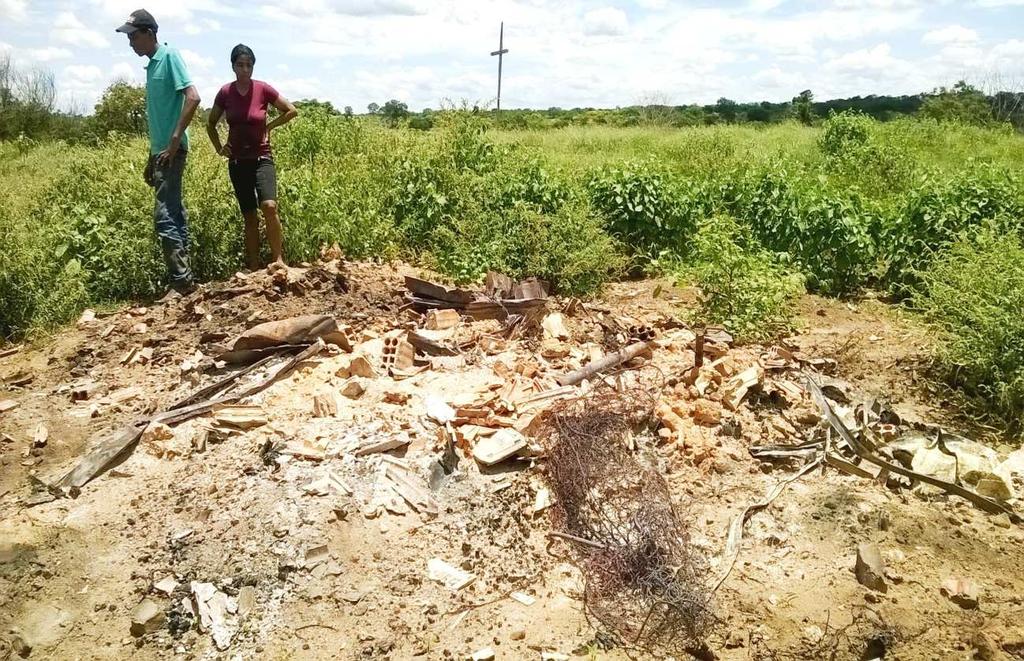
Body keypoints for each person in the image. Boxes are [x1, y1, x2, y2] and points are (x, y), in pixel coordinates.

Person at [116, 9, 200, 293]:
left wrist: (175, 141)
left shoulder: (169, 56)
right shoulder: (152, 65)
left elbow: (193, 97)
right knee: (174, 212)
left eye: (133, 36)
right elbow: (160, 117)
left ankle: (181, 283)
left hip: (172, 151)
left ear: (149, 34)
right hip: (161, 152)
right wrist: (151, 157)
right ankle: (185, 281)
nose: (130, 43)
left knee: (164, 215)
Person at [206, 44, 298, 271]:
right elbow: (211, 123)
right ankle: (255, 264)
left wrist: (270, 126)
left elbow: (291, 110)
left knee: (269, 206)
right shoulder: (226, 92)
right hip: (237, 161)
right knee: (249, 215)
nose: (245, 69)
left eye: (249, 65)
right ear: (233, 66)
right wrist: (220, 147)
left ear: (253, 66)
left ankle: (278, 260)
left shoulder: (263, 89)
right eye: (240, 65)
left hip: (262, 158)